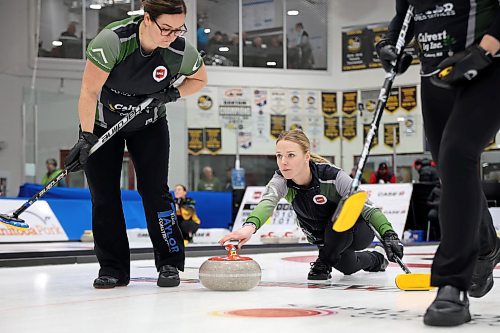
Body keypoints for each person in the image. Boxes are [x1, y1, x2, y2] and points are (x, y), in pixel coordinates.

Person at [64, 0, 207, 289]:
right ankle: (113, 268)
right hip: (104, 125)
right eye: (165, 28)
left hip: (149, 124)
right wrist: (86, 136)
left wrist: (170, 95)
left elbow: (200, 79)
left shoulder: (179, 50)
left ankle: (169, 263)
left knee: (155, 192)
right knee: (104, 196)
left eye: (178, 28)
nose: (171, 35)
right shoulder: (113, 41)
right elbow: (89, 91)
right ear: (147, 18)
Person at [378, 0, 500, 326]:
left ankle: (451, 285)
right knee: (449, 169)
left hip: (488, 66)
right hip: (436, 77)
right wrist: (389, 45)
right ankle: (485, 244)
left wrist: (486, 49)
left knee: (458, 152)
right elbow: (406, 14)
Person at [219, 130, 404, 281]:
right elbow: (267, 202)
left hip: (357, 230)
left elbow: (368, 209)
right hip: (324, 237)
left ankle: (323, 260)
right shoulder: (281, 181)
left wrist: (389, 235)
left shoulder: (333, 176)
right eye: (279, 156)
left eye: (290, 155)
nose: (283, 162)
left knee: (338, 222)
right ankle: (377, 259)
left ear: (306, 156)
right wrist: (249, 227)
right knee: (348, 267)